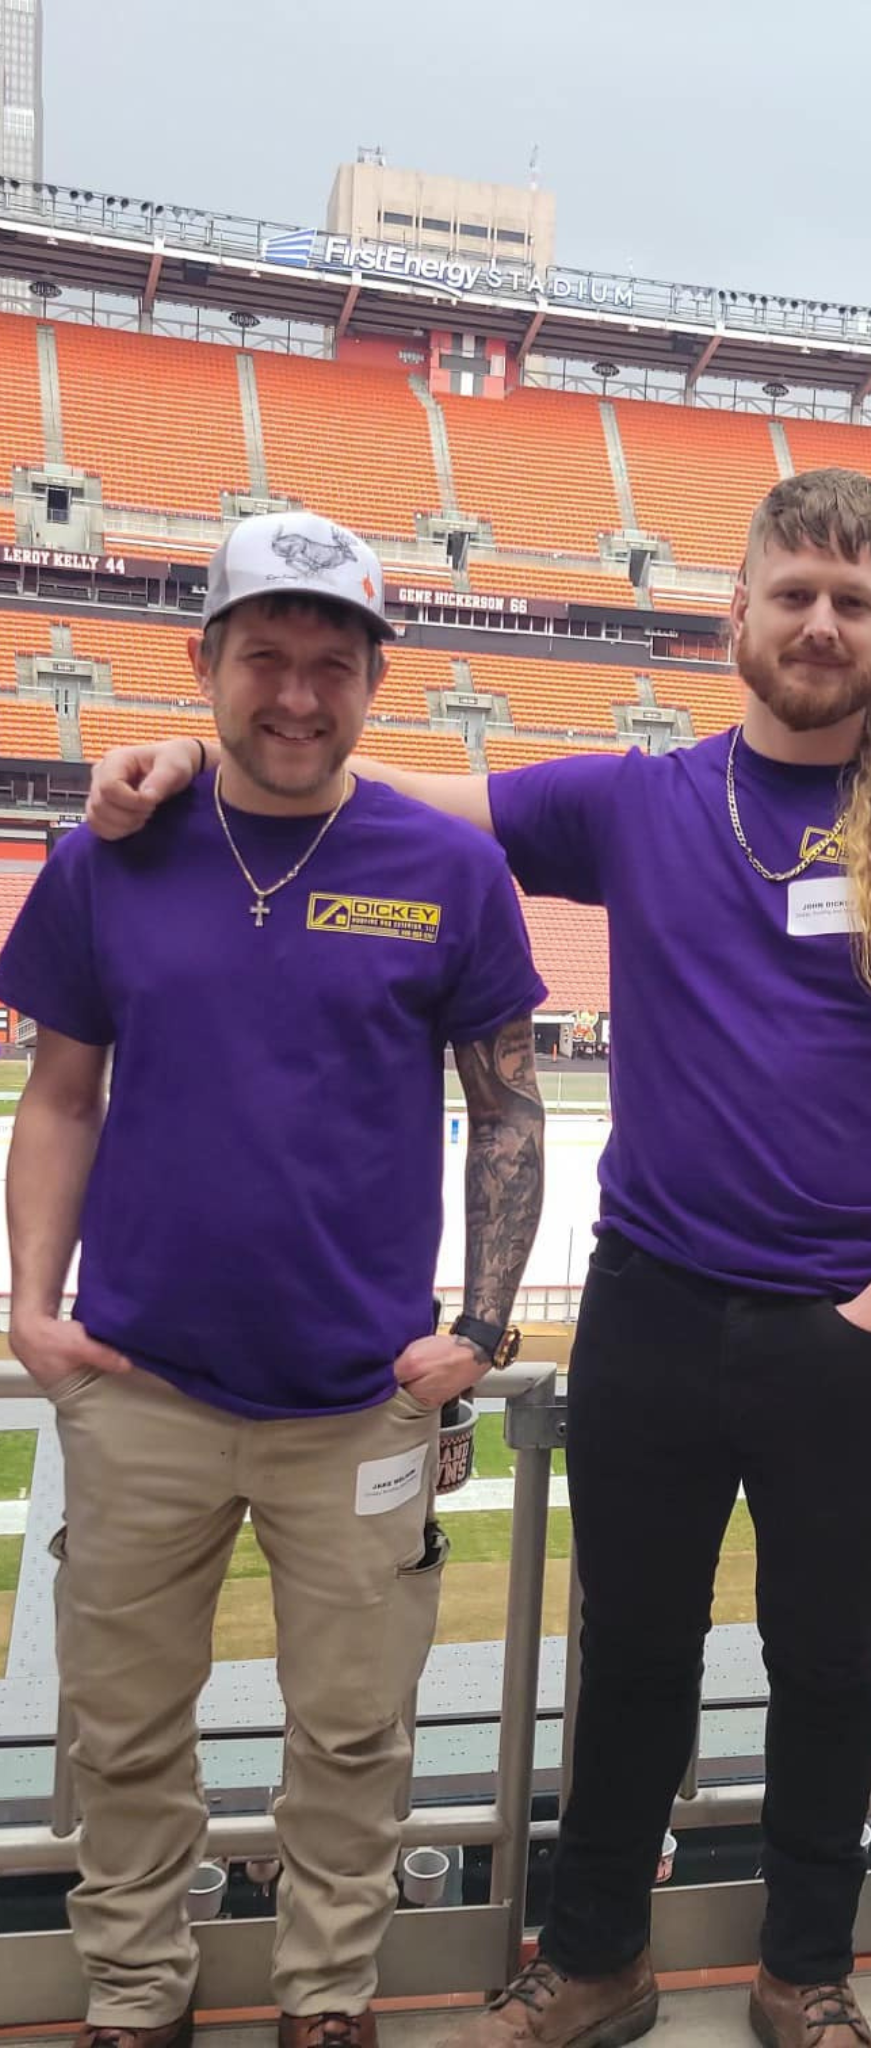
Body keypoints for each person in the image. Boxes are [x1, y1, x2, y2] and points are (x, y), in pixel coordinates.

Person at [88, 469, 871, 2048]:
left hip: (852, 1329)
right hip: (655, 1307)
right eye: (793, 592)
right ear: (732, 611)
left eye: (854, 602)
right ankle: (595, 1961)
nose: (819, 624)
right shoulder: (638, 800)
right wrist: (200, 751)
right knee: (631, 1660)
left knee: (826, 1668)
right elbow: (382, 788)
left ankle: (804, 1970)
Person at [9, 511, 547, 2048]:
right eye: (265, 659)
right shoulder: (109, 854)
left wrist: (485, 1327)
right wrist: (31, 1305)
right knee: (119, 1729)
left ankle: (326, 1996)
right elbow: (59, 1093)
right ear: (205, 668)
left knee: (355, 1732)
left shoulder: (444, 868)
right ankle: (134, 1991)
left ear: (377, 683)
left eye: (331, 664)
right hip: (141, 1385)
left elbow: (507, 1108)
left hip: (358, 1404)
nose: (297, 695)